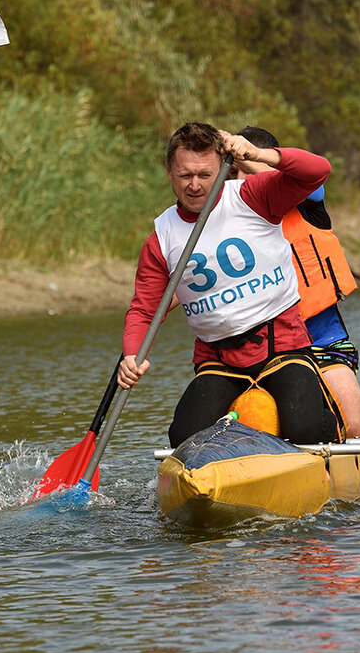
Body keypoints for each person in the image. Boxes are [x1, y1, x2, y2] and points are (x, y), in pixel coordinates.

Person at [118, 122, 346, 448]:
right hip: (219, 360)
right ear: (169, 172)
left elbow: (317, 171)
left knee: (304, 427)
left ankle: (331, 432)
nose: (195, 185)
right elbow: (144, 310)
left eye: (205, 175)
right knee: (183, 437)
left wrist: (259, 154)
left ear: (223, 169)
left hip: (282, 347)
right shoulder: (161, 239)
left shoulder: (253, 195)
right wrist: (131, 355)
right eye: (185, 176)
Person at [231, 125, 360, 438]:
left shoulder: (308, 198)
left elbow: (311, 180)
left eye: (247, 170)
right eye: (233, 174)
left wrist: (249, 158)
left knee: (355, 426)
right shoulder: (222, 218)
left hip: (320, 339)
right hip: (256, 349)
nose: (241, 183)